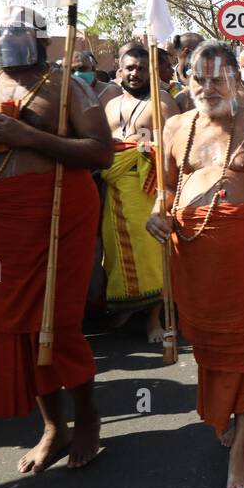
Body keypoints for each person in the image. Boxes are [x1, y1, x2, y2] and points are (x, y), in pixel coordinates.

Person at [0, 6, 113, 472]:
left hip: (59, 215)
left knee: (57, 323)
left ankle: (87, 417)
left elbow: (100, 153)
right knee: (18, 328)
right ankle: (52, 427)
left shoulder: (69, 88)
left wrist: (30, 137)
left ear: (42, 42)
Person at [148, 41, 244, 488]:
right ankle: (229, 412)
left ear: (234, 79)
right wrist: (159, 211)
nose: (207, 87)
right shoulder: (174, 126)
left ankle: (240, 450)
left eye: (217, 78)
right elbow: (167, 189)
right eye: (198, 78)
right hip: (193, 257)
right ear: (186, 80)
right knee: (210, 347)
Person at [100, 41, 179, 342]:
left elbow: (174, 147)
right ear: (120, 71)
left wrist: (145, 148)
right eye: (129, 68)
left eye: (141, 68)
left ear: (151, 71)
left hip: (148, 188)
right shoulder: (109, 104)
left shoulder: (162, 104)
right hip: (115, 189)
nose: (135, 73)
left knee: (152, 252)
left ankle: (154, 319)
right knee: (116, 251)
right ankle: (127, 304)